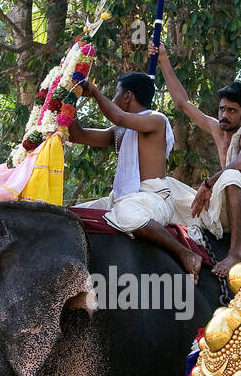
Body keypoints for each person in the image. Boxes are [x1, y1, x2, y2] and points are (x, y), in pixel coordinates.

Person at [70, 71, 202, 279]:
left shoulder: (156, 120)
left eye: (116, 92)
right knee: (73, 214)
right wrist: (69, 101)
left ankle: (186, 254)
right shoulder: (119, 130)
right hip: (121, 198)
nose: (114, 97)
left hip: (153, 198)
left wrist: (94, 91)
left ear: (127, 96)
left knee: (127, 213)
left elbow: (118, 116)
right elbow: (78, 135)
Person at [156, 43, 241, 278]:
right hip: (225, 210)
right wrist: (163, 59)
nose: (224, 115)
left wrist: (208, 184)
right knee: (165, 185)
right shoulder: (216, 128)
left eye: (231, 111)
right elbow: (183, 104)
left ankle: (235, 254)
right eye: (222, 110)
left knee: (231, 175)